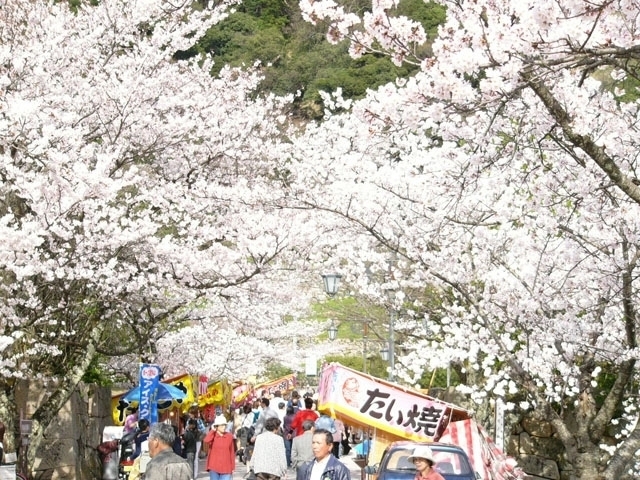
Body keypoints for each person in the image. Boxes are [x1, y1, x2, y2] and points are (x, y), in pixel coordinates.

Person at [204, 414, 235, 480]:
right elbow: (206, 440)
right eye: (222, 425)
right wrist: (212, 430)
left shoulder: (229, 436)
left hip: (226, 468)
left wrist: (233, 467)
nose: (224, 427)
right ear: (217, 426)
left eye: (225, 425)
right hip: (214, 467)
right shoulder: (213, 436)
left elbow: (231, 452)